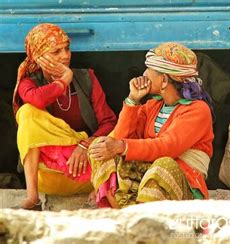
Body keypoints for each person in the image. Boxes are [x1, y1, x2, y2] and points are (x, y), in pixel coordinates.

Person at [87, 42, 214, 208]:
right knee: (100, 146)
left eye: (149, 69)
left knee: (164, 165)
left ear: (163, 80)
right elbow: (118, 137)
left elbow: (167, 146)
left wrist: (122, 146)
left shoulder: (198, 110)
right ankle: (122, 212)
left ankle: (142, 221)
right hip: (145, 178)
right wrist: (133, 100)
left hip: (182, 187)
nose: (144, 74)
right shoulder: (152, 106)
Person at [12, 23, 117, 210]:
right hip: (47, 173)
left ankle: (103, 187)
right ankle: (33, 198)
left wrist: (85, 145)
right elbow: (36, 100)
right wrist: (64, 79)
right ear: (38, 56)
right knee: (27, 112)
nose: (65, 55)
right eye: (56, 52)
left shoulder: (87, 78)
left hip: (86, 167)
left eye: (67, 48)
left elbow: (109, 122)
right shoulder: (28, 83)